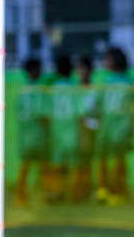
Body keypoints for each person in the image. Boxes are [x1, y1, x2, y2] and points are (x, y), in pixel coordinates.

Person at [97, 47, 134, 204]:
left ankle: (113, 190)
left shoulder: (124, 82)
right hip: (112, 126)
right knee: (112, 158)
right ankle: (110, 190)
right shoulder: (116, 81)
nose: (105, 62)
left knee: (115, 159)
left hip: (117, 126)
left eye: (107, 58)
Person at [15, 57, 50, 205]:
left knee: (26, 165)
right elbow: (42, 114)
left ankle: (21, 195)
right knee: (44, 166)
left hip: (25, 135)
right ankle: (45, 195)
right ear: (35, 70)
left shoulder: (22, 90)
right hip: (38, 134)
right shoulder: (40, 90)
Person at [47, 54, 78, 204]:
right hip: (71, 130)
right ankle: (70, 194)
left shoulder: (52, 86)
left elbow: (47, 111)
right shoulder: (74, 85)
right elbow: (80, 111)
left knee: (57, 165)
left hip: (57, 130)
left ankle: (56, 193)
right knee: (69, 165)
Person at [74, 54, 100, 203]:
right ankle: (78, 191)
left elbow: (97, 113)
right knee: (79, 162)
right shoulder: (75, 90)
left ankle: (87, 191)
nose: (81, 71)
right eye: (79, 68)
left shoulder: (94, 90)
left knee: (88, 161)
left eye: (83, 68)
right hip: (76, 131)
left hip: (91, 131)